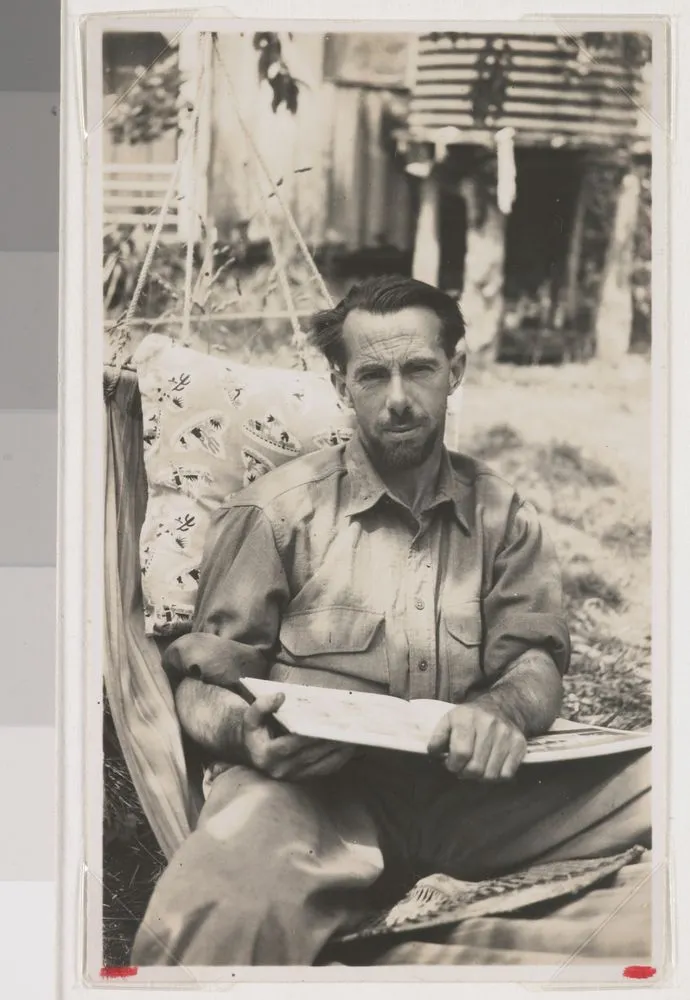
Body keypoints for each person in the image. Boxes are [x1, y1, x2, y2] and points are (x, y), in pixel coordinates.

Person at [131, 275, 651, 967]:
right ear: (342, 385)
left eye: (420, 370)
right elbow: (201, 683)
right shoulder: (274, 513)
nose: (398, 399)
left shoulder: (502, 512)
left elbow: (535, 659)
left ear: (455, 371)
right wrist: (249, 736)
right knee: (213, 908)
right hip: (314, 797)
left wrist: (500, 711)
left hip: (474, 796)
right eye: (373, 375)